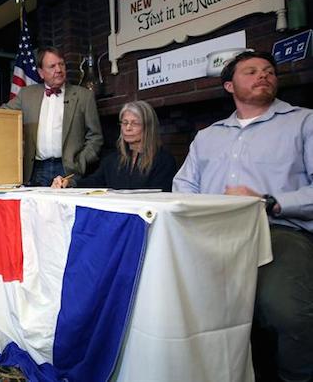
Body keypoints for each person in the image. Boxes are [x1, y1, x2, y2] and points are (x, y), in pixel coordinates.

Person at [172, 51, 312, 382]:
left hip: (277, 230)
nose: (263, 75)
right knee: (174, 300)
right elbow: (183, 186)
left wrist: (271, 201)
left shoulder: (304, 121)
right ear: (229, 85)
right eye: (250, 71)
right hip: (210, 235)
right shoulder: (208, 136)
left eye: (269, 71)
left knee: (289, 312)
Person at [0, 46, 103, 186]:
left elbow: (96, 137)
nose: (58, 70)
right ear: (41, 72)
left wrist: (80, 163)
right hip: (36, 170)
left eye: (61, 64)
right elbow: (5, 112)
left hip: (68, 170)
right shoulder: (27, 94)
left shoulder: (84, 96)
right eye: (52, 66)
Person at [52, 100, 176, 191]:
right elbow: (94, 182)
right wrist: (69, 183)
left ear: (148, 127)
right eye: (125, 123)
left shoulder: (164, 161)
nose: (128, 128)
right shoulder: (112, 160)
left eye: (135, 123)